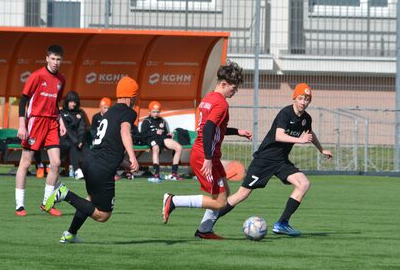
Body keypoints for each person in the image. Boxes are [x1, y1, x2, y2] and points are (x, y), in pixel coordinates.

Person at [205, 83, 333, 237]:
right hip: (264, 160)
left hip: (281, 161)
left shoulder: (306, 118)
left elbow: (309, 134)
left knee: (304, 183)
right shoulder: (285, 113)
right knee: (242, 194)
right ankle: (208, 223)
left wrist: (321, 149)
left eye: (307, 99)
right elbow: (279, 136)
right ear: (294, 98)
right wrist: (299, 139)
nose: (303, 102)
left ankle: (282, 224)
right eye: (300, 98)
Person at [162, 60, 252, 239]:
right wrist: (209, 159)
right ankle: (173, 201)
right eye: (233, 88)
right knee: (219, 202)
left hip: (207, 153)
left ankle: (204, 230)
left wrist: (237, 132)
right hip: (205, 155)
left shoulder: (209, 98)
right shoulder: (221, 103)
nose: (235, 92)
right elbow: (209, 128)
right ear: (224, 84)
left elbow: (213, 127)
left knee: (224, 192)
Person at [45, 76, 140, 243]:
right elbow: (125, 131)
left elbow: (108, 143)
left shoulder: (110, 112)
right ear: (132, 97)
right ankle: (64, 194)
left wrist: (124, 163)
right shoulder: (129, 112)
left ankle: (70, 234)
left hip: (90, 161)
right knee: (103, 215)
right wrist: (133, 157)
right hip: (102, 168)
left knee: (90, 201)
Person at [15, 45, 67, 217]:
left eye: (58, 59)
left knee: (56, 163)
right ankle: (19, 205)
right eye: (53, 58)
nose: (55, 62)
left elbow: (56, 104)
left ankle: (46, 203)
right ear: (47, 58)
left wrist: (61, 121)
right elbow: (23, 102)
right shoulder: (36, 76)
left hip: (52, 122)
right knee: (25, 163)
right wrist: (22, 124)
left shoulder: (61, 80)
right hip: (35, 121)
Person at [140, 101, 183, 182]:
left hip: (162, 139)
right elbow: (143, 135)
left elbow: (165, 133)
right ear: (149, 112)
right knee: (156, 148)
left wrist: (169, 134)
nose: (156, 114)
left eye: (158, 112)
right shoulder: (146, 121)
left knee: (179, 147)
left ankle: (174, 174)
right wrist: (154, 132)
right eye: (154, 112)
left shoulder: (162, 120)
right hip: (152, 139)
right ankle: (156, 173)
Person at [59, 91, 88, 180]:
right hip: (63, 139)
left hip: (77, 139)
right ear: (67, 101)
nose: (74, 104)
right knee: (71, 144)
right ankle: (77, 170)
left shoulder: (80, 113)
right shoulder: (61, 113)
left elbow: (82, 128)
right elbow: (66, 130)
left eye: (75, 102)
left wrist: (81, 140)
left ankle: (86, 170)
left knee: (86, 147)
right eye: (71, 101)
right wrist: (77, 141)